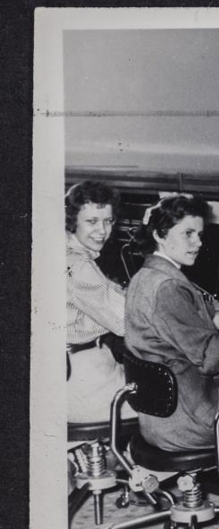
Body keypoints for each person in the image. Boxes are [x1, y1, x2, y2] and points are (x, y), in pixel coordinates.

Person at [124, 194, 219, 451]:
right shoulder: (169, 287)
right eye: (188, 234)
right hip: (191, 422)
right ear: (160, 235)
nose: (198, 242)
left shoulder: (148, 275)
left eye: (200, 234)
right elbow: (214, 361)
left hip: (160, 418)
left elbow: (212, 317)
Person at [65, 180, 129, 423]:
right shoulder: (79, 266)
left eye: (108, 221)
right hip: (84, 378)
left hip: (66, 370)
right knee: (165, 405)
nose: (102, 230)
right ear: (72, 221)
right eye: (92, 221)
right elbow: (125, 322)